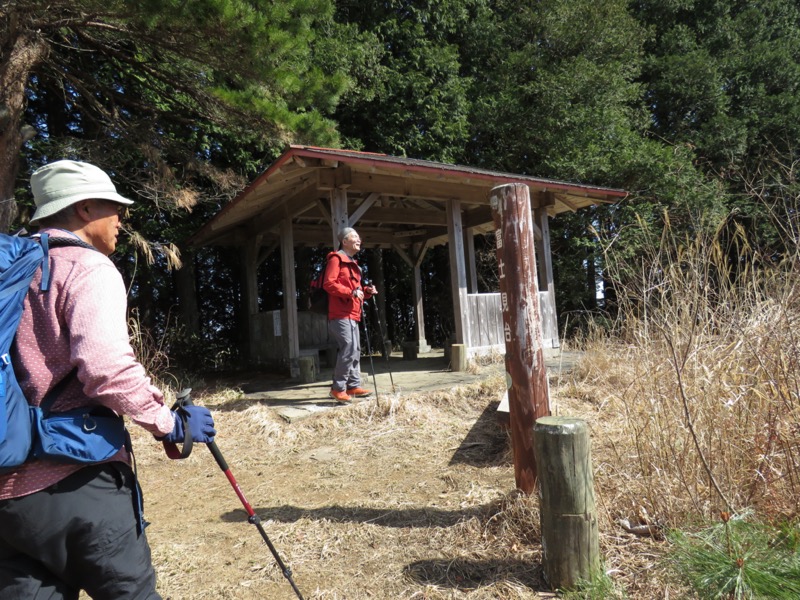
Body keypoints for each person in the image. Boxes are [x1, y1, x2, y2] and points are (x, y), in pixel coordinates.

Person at [0, 160, 216, 599]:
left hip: (9, 496)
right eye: (112, 206)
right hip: (78, 483)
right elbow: (106, 370)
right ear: (82, 209)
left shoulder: (13, 273)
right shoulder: (86, 268)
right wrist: (168, 422)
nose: (120, 218)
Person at [322, 227, 377, 403]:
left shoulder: (354, 264)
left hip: (353, 313)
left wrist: (366, 291)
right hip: (339, 314)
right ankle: (338, 389)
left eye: (359, 237)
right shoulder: (336, 259)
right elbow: (328, 284)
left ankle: (353, 386)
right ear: (344, 241)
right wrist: (351, 292)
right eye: (354, 237)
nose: (359, 239)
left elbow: (357, 290)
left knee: (355, 350)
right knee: (348, 347)